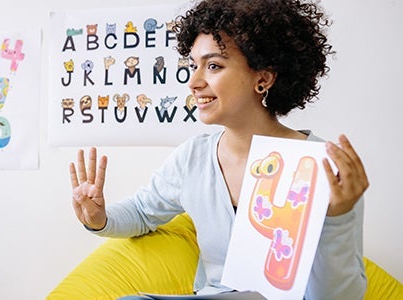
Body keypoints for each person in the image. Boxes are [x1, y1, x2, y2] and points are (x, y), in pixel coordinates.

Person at [69, 0, 368, 299]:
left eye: (213, 66)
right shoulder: (193, 159)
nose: (194, 82)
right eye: (193, 65)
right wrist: (99, 219)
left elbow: (342, 295)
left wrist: (338, 218)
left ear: (262, 79)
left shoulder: (322, 166)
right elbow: (142, 212)